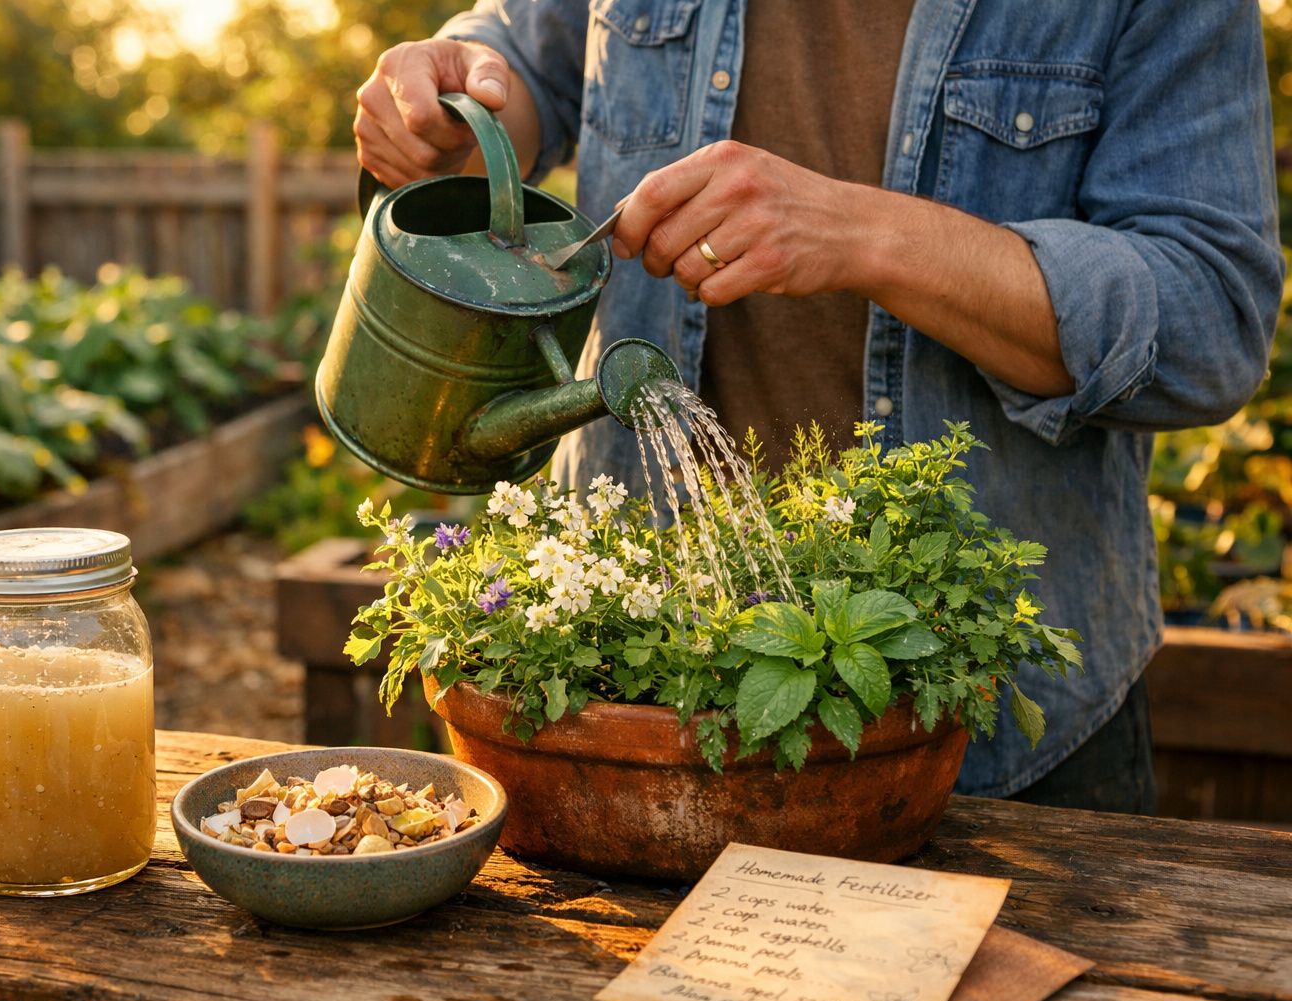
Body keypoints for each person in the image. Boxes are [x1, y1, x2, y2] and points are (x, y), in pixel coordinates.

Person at [352, 1, 1282, 813]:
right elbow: (527, 48)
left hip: (978, 729)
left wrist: (863, 233)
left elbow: (1211, 317)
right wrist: (465, 96)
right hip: (620, 689)